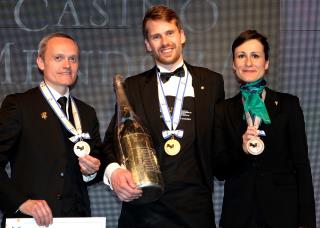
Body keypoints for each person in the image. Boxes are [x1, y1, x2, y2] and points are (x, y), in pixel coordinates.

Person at [103, 5, 224, 228]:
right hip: (144, 211)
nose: (165, 42)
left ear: (182, 35)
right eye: (156, 36)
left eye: (170, 33)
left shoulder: (212, 82)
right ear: (148, 45)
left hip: (195, 211)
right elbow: (112, 140)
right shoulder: (133, 86)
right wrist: (115, 172)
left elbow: (219, 143)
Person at [213, 30, 316, 228]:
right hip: (238, 215)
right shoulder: (223, 110)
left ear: (266, 63)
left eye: (255, 56)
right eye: (241, 56)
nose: (248, 63)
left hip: (283, 214)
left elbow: (302, 165)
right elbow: (219, 170)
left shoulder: (289, 105)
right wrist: (241, 151)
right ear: (234, 65)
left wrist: (307, 221)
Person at [0, 33, 103, 227]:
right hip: (32, 221)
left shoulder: (87, 112)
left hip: (77, 221)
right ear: (40, 62)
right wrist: (20, 203)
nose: (67, 65)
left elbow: (96, 165)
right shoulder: (19, 105)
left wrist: (90, 171)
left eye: (72, 58)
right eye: (58, 58)